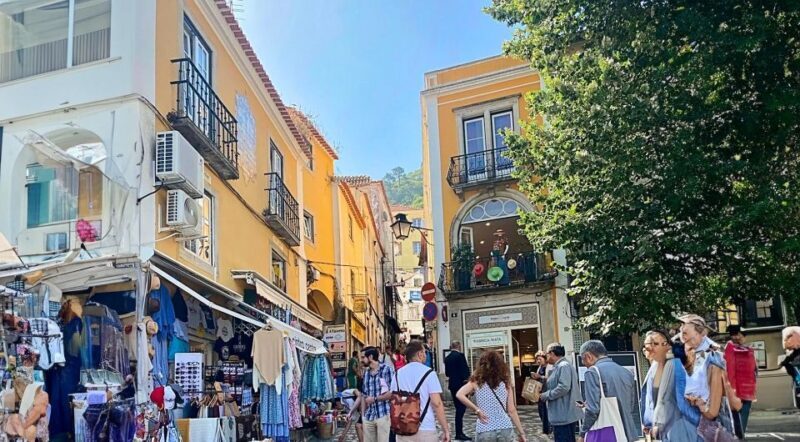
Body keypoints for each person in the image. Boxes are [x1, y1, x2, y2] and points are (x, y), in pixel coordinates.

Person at [678, 314, 737, 436]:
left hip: (712, 419)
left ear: (702, 333)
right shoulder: (692, 353)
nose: (682, 338)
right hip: (695, 416)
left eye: (686, 333)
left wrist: (702, 406)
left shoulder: (713, 355)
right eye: (681, 333)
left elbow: (713, 409)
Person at [639, 330, 698, 441]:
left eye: (655, 344)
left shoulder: (675, 365)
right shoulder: (654, 366)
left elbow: (681, 400)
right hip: (660, 430)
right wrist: (646, 422)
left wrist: (698, 421)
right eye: (647, 344)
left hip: (677, 428)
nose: (649, 348)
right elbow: (648, 398)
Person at [456, 350, 527, 442]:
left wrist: (477, 410)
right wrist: (521, 433)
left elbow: (459, 394)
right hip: (504, 426)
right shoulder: (506, 382)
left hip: (485, 427)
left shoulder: (477, 381)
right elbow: (511, 410)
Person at [578, 340, 638, 442]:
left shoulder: (592, 372)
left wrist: (582, 433)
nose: (584, 364)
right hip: (628, 432)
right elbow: (631, 405)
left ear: (588, 356)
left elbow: (593, 410)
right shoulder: (626, 372)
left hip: (607, 433)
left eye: (583, 360)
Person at [391, 340, 451, 442]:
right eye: (425, 352)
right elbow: (437, 403)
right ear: (420, 354)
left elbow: (394, 399)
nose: (426, 355)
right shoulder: (429, 373)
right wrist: (445, 429)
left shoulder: (397, 374)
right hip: (425, 428)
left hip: (403, 428)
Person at [539, 343, 582, 442]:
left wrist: (546, 395)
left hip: (564, 415)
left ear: (552, 353)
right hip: (562, 414)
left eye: (547, 354)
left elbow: (563, 387)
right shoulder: (559, 366)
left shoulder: (563, 366)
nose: (546, 357)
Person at [724, 325, 757, 437]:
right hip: (736, 389)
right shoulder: (731, 348)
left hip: (748, 388)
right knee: (737, 417)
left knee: (743, 415)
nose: (739, 338)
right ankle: (737, 437)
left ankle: (739, 436)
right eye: (737, 335)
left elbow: (753, 368)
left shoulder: (747, 348)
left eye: (741, 335)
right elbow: (730, 369)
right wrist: (731, 389)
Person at [361, 346, 393, 442]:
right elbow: (363, 395)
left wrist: (375, 399)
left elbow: (392, 393)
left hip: (383, 414)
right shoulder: (366, 373)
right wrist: (363, 416)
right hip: (369, 416)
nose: (361, 360)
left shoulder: (387, 370)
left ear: (370, 357)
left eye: (363, 357)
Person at [445, 341, 472, 441]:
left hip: (452, 385)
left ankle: (459, 432)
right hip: (461, 385)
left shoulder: (447, 358)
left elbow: (447, 373)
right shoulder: (460, 356)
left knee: (458, 408)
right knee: (461, 409)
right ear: (459, 346)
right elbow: (465, 371)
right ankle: (459, 433)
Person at [531, 351, 552, 435]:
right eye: (537, 359)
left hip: (547, 391)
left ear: (545, 359)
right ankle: (545, 428)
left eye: (540, 359)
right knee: (541, 411)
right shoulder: (539, 367)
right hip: (540, 392)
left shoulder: (550, 367)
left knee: (547, 411)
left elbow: (550, 378)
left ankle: (549, 429)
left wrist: (540, 377)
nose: (538, 361)